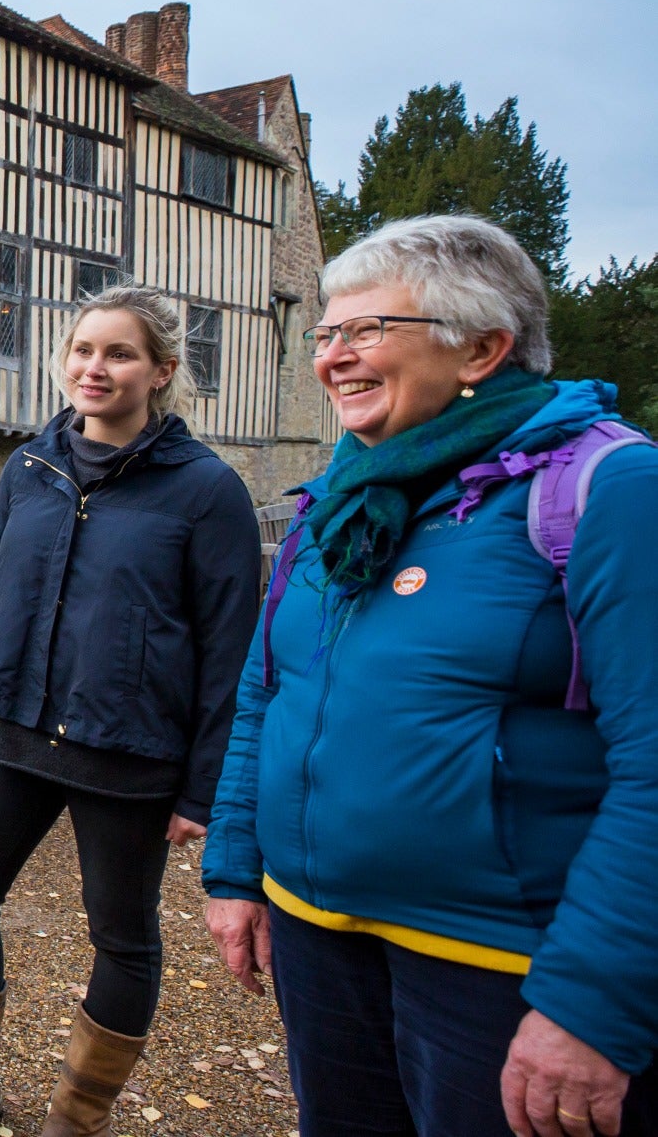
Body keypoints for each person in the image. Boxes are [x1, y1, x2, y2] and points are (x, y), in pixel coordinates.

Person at [204, 215, 658, 1137]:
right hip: (317, 934)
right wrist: (238, 868)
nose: (334, 356)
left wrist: (592, 1003)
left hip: (499, 961)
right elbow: (270, 692)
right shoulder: (342, 498)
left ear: (483, 347)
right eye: (327, 332)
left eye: (369, 330)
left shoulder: (607, 489)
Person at [0, 284, 261, 1137]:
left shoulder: (206, 491)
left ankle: (78, 1117)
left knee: (122, 936)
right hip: (17, 729)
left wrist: (203, 790)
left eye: (120, 353)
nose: (95, 367)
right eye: (83, 350)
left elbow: (230, 651)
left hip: (129, 750)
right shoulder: (31, 467)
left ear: (161, 371)